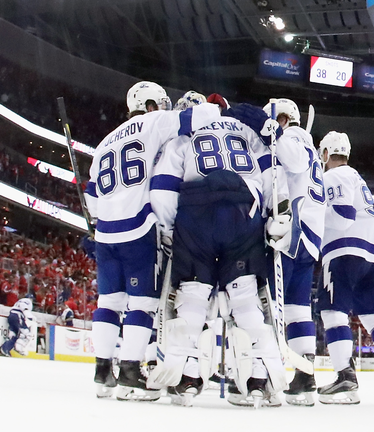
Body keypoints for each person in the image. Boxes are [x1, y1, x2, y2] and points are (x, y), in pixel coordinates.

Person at [83, 81, 224, 402]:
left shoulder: (105, 142)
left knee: (109, 303)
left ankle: (102, 371)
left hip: (105, 233)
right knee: (143, 305)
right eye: (159, 104)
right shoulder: (153, 122)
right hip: (139, 228)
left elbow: (92, 197)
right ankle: (131, 372)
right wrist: (216, 109)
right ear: (149, 105)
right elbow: (199, 116)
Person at [148, 95, 285, 408]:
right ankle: (259, 376)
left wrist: (171, 229)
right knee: (246, 297)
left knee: (194, 296)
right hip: (244, 208)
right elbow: (272, 173)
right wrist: (275, 215)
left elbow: (162, 187)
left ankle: (188, 375)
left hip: (196, 212)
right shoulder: (244, 128)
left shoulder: (185, 130)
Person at [315, 131, 374, 404]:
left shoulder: (333, 176)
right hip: (373, 254)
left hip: (344, 251)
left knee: (333, 313)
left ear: (325, 154)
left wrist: (309, 215)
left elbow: (343, 216)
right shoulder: (358, 178)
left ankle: (346, 378)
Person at [261, 98, 326, 407]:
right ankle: (304, 377)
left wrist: (277, 134)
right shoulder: (308, 144)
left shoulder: (294, 137)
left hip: (293, 230)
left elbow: (295, 164)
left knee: (271, 303)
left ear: (284, 118)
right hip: (310, 236)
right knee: (299, 309)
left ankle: (265, 374)